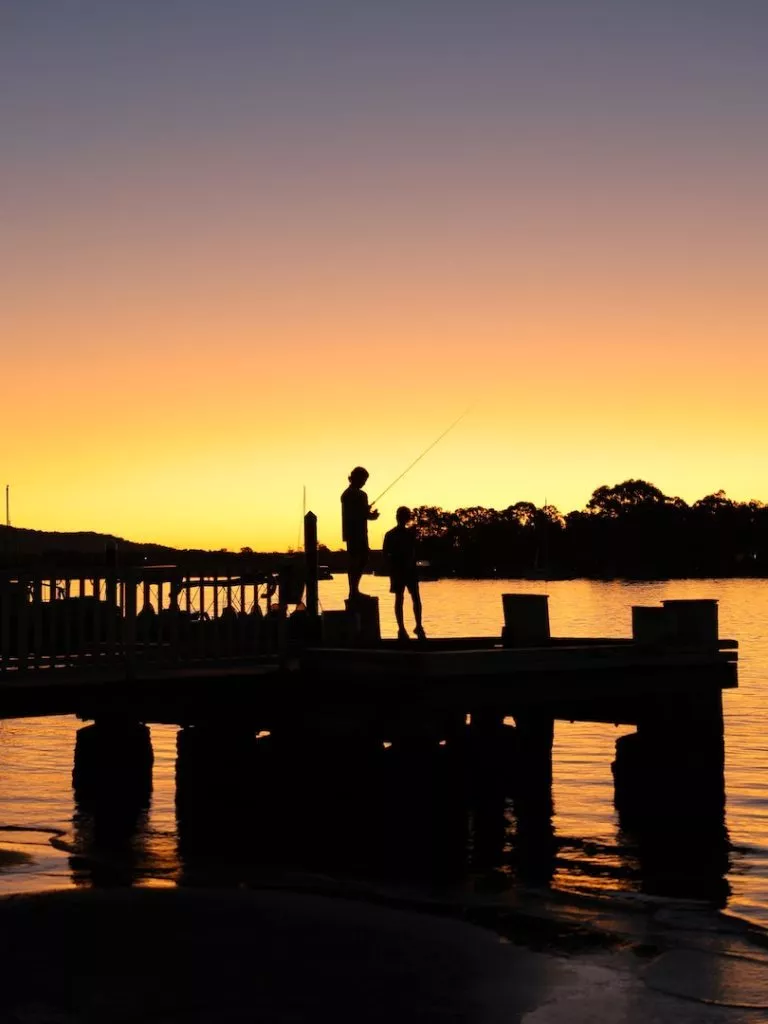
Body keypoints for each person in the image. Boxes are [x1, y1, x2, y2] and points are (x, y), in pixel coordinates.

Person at [382, 506, 426, 641]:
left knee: (411, 599)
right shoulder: (393, 534)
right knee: (405, 599)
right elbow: (386, 554)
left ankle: (414, 626)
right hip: (400, 570)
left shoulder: (403, 534)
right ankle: (404, 628)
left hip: (406, 570)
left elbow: (413, 552)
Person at [341, 466, 379, 601]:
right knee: (361, 560)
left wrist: (366, 511)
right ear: (357, 478)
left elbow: (357, 512)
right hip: (359, 533)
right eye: (364, 480)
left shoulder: (345, 494)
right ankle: (354, 591)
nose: (364, 483)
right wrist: (372, 515)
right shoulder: (361, 495)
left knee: (354, 561)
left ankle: (353, 590)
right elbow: (362, 514)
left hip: (350, 533)